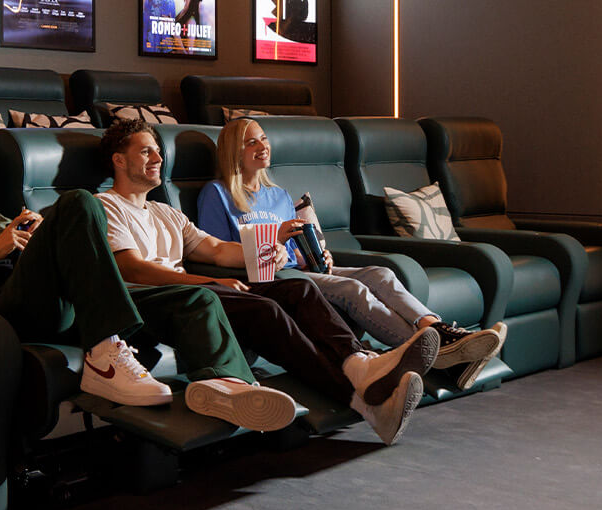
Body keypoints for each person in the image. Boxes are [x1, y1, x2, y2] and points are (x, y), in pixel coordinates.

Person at [0, 126, 301, 432]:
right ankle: (105, 354)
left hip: (61, 299)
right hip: (3, 311)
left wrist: (40, 240)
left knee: (197, 298)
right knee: (78, 201)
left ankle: (227, 387)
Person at [95, 118, 438, 444]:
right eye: (146, 152)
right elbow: (132, 269)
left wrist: (264, 250)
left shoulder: (165, 213)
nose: (158, 157)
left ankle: (359, 364)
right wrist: (209, 284)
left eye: (157, 150)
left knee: (299, 287)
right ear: (118, 161)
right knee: (268, 310)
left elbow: (215, 249)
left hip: (195, 292)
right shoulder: (106, 206)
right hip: (163, 300)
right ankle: (366, 403)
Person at [197, 118, 508, 390]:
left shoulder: (277, 194)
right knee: (354, 289)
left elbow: (292, 251)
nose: (262, 146)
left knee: (381, 273)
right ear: (233, 152)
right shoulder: (216, 194)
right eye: (251, 142)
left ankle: (437, 330)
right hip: (273, 281)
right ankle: (439, 354)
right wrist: (274, 240)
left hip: (300, 271)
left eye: (264, 139)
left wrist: (317, 257)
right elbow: (219, 252)